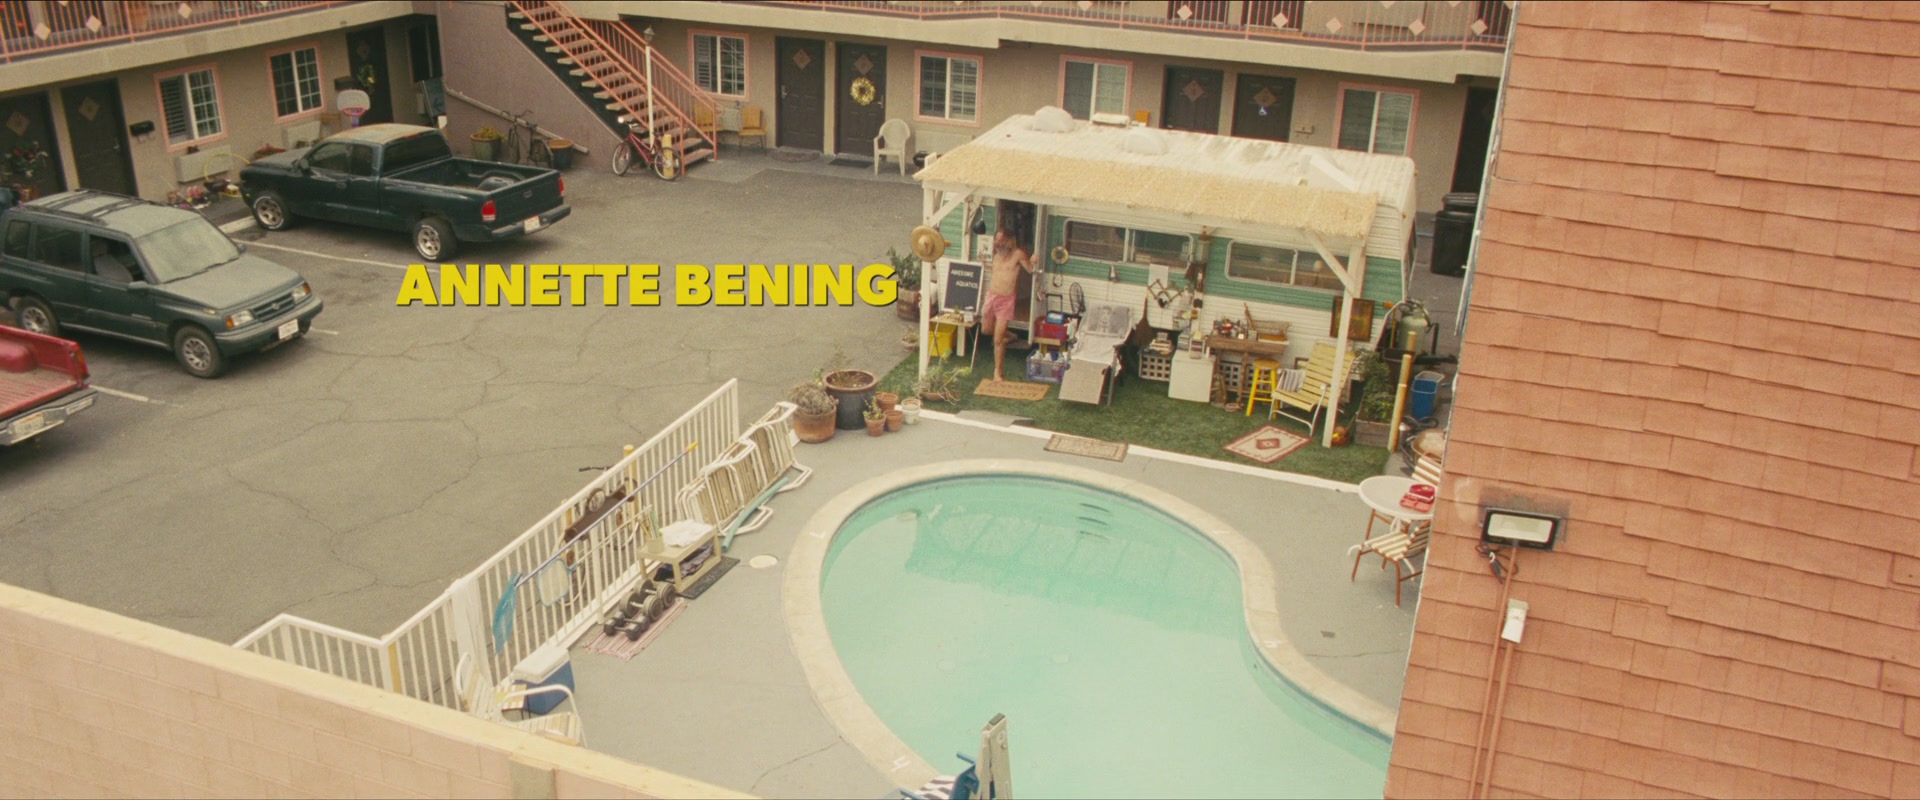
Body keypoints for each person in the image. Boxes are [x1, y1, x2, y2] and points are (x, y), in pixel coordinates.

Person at [981, 227, 1034, 382]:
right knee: (986, 330)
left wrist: (1033, 261)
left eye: (1002, 240)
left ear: (1010, 241)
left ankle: (998, 372)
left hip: (1006, 301)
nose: (999, 243)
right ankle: (1011, 335)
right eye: (997, 240)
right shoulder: (995, 254)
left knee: (998, 340)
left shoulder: (1018, 254)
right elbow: (995, 270)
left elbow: (1030, 270)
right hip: (992, 296)